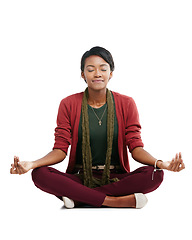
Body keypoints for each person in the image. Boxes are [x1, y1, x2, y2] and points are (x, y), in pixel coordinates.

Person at [10, 46, 185, 209]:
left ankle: (79, 198)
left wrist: (161, 163)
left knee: (155, 174)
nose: (97, 74)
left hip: (116, 177)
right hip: (80, 177)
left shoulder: (126, 103)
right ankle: (116, 201)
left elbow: (136, 147)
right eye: (90, 69)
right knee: (39, 174)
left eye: (103, 68)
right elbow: (60, 150)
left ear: (111, 74)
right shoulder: (68, 103)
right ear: (82, 74)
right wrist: (32, 164)